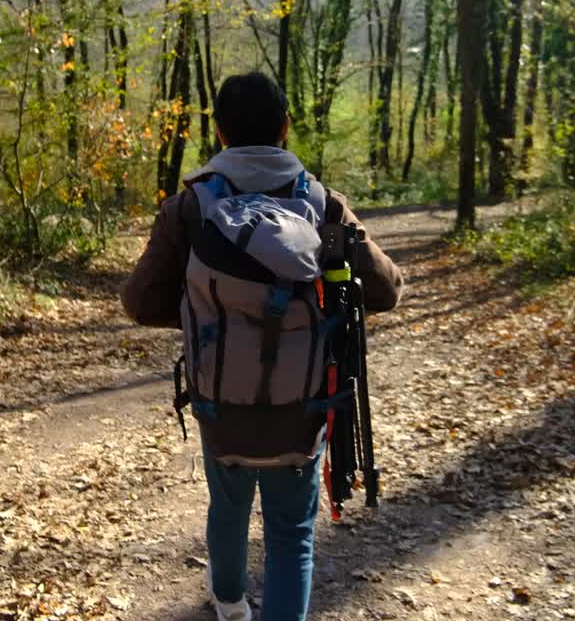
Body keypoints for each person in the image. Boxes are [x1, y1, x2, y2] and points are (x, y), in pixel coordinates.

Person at [121, 72, 403, 621]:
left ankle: (230, 607)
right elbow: (385, 291)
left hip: (218, 399)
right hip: (303, 404)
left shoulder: (190, 207)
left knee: (227, 505)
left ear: (220, 133)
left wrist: (197, 313)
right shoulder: (323, 205)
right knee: (291, 532)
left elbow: (138, 302)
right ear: (285, 127)